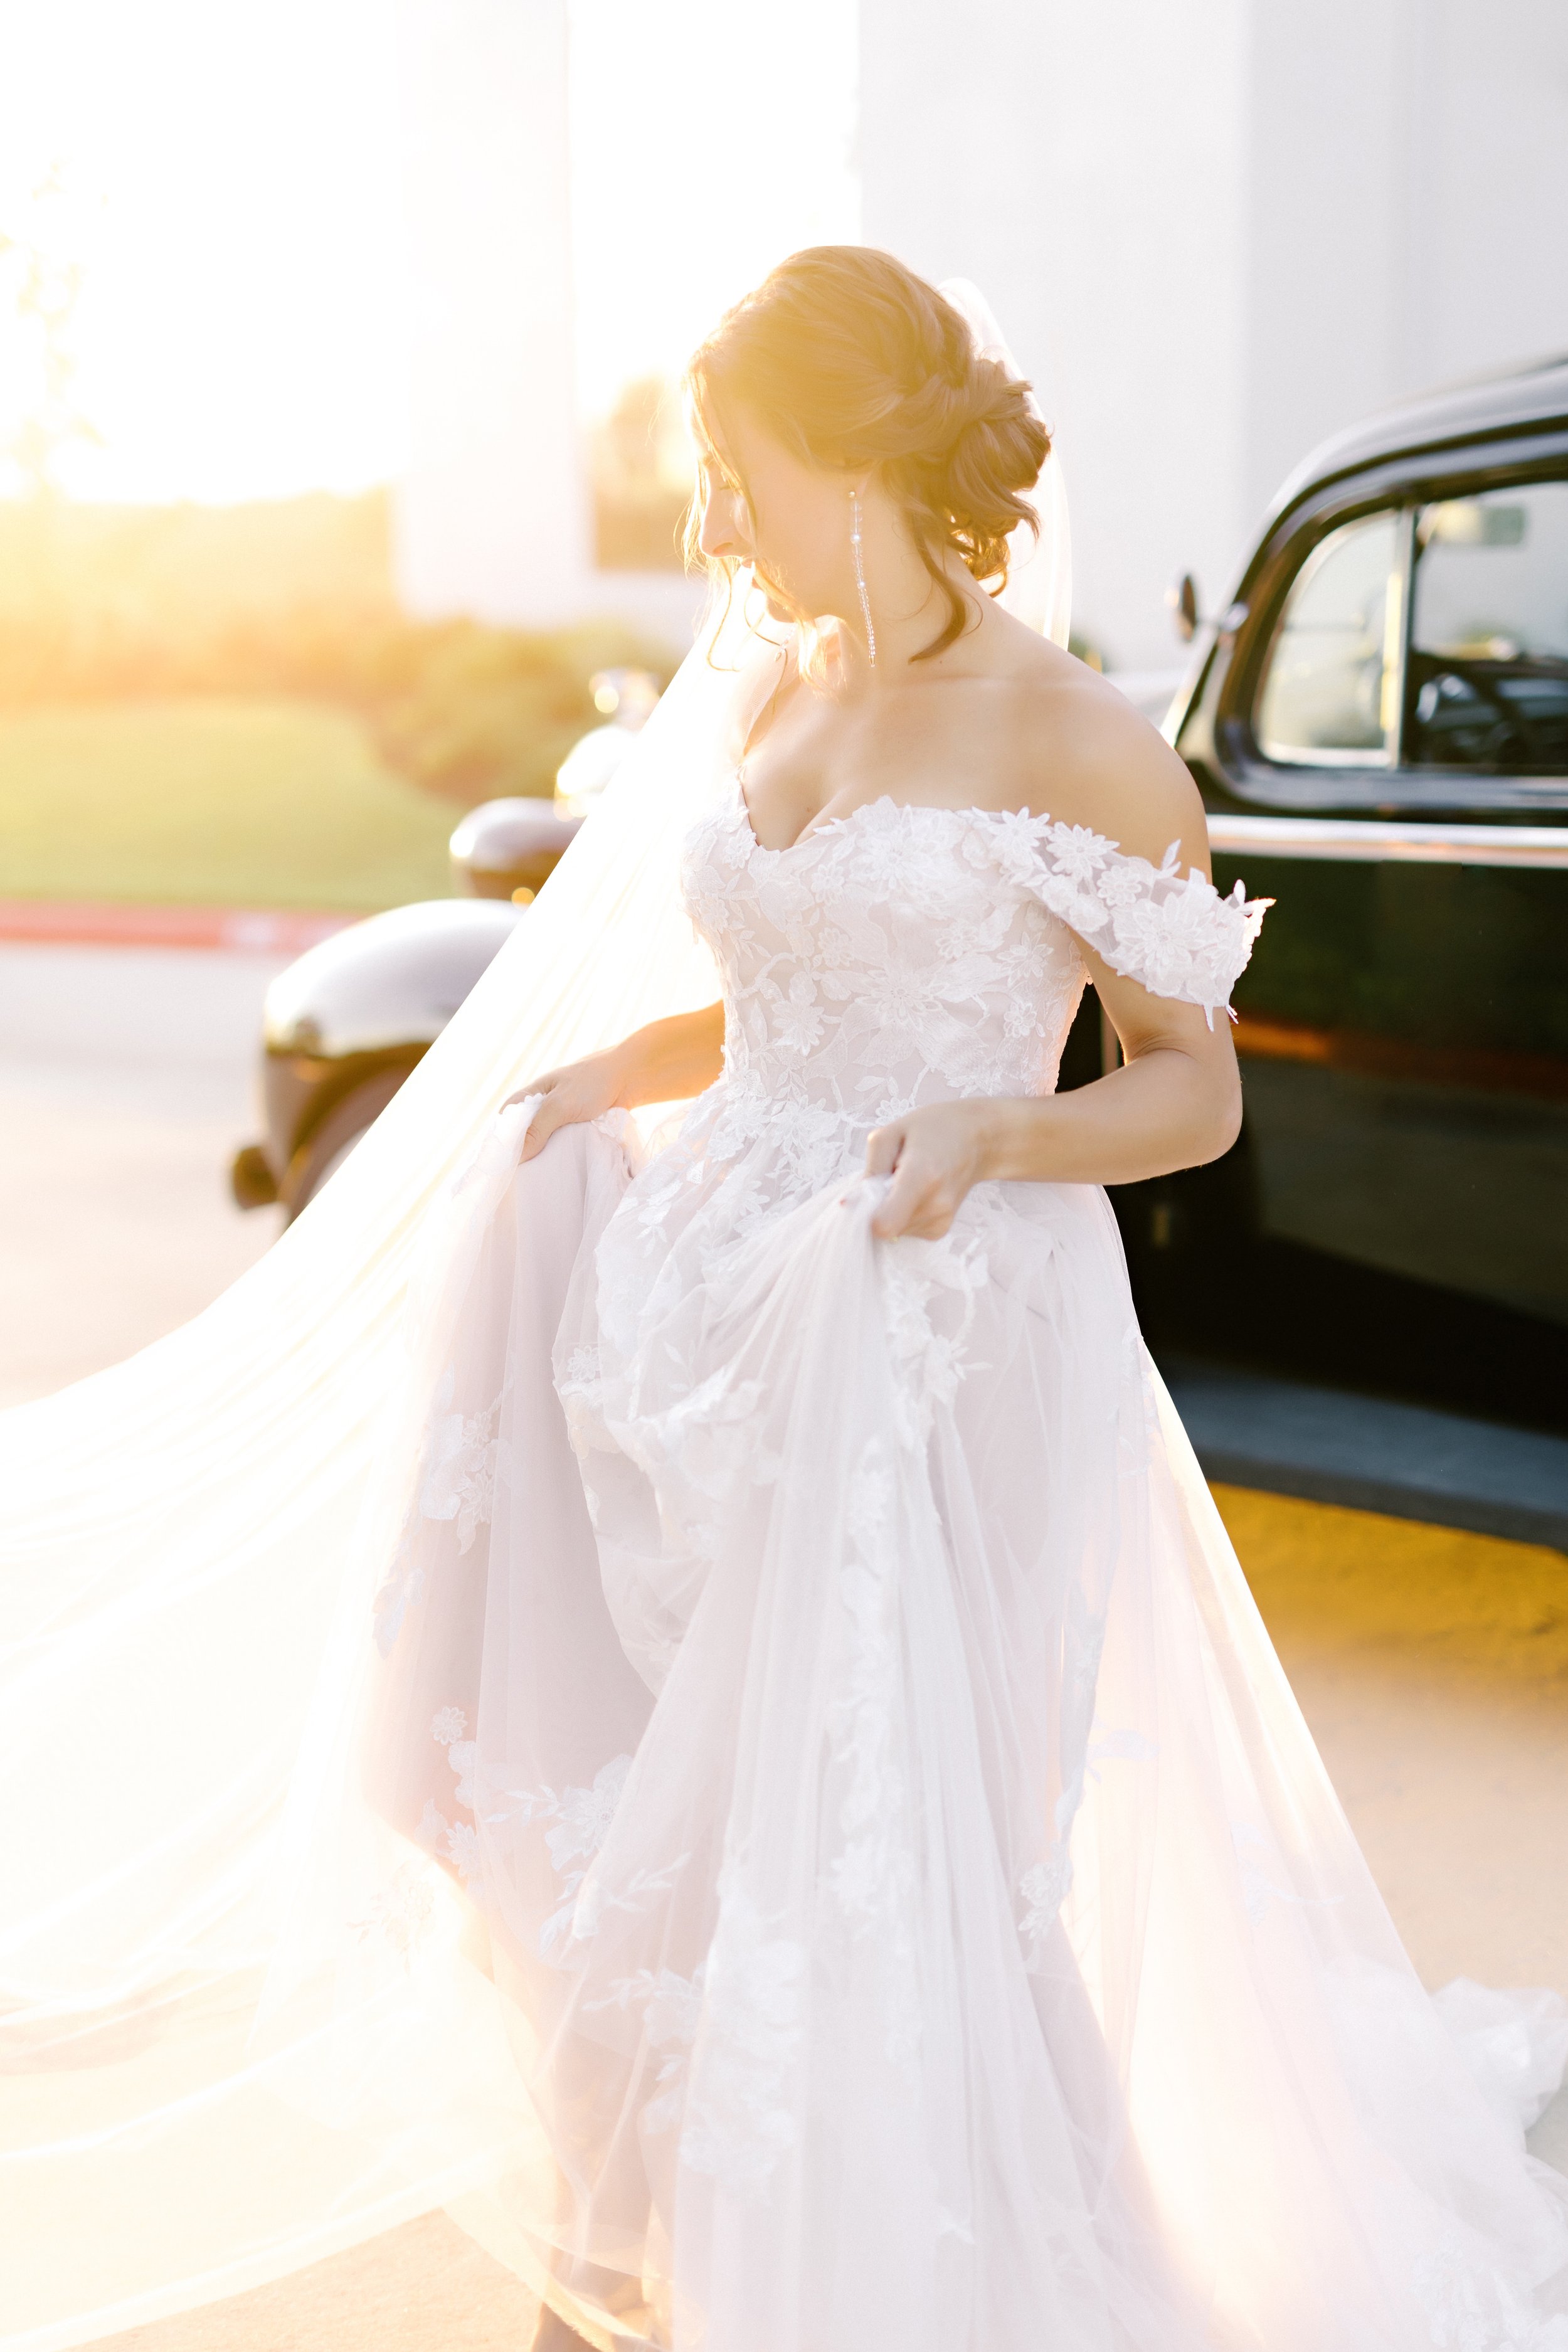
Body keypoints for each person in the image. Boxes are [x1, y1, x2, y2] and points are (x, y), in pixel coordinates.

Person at [4, 248, 1566, 2352]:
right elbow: (762, 1013)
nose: (709, 526)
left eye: (732, 471)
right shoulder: (772, 688)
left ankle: (909, 2263)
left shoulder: (1082, 745)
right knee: (672, 1804)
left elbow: (1186, 1095)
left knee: (885, 1823)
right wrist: (594, 1078)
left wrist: (989, 1137)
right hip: (705, 1310)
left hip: (938, 1329)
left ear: (852, 459)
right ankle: (658, 2226)